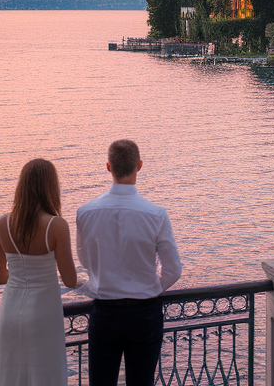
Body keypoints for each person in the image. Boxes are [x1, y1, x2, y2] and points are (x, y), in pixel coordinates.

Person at [76, 140, 182, 386]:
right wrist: (151, 287)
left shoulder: (86, 212)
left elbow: (84, 260)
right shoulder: (155, 214)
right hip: (144, 313)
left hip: (105, 312)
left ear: (108, 167)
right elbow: (173, 269)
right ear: (140, 166)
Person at [0, 158, 79, 386]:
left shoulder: (3, 224)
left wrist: (22, 278)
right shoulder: (56, 225)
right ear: (51, 187)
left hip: (10, 311)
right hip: (43, 313)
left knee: (12, 376)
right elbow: (70, 280)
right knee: (46, 375)